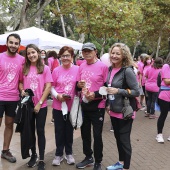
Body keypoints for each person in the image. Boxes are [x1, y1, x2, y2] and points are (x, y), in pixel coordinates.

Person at [105, 43, 139, 170]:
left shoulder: (128, 70)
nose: (114, 56)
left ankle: (126, 167)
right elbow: (109, 88)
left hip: (125, 111)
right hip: (113, 109)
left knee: (124, 140)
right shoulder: (110, 69)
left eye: (117, 53)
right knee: (118, 138)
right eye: (113, 53)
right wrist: (108, 103)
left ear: (124, 55)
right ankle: (120, 163)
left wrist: (118, 91)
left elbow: (137, 91)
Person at [19, 44, 53, 170]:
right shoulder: (25, 68)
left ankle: (42, 159)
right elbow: (21, 82)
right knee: (30, 131)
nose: (31, 55)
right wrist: (22, 90)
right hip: (28, 105)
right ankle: (33, 155)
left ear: (38, 53)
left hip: (41, 105)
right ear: (26, 55)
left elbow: (48, 86)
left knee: (40, 131)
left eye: (33, 52)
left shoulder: (45, 68)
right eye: (28, 53)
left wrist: (39, 103)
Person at [76, 42, 108, 170]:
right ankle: (88, 157)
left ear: (95, 51)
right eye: (84, 51)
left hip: (98, 105)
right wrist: (79, 85)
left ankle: (98, 161)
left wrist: (95, 94)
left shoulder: (103, 67)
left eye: (89, 50)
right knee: (85, 133)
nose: (87, 53)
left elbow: (107, 88)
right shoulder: (81, 66)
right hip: (84, 104)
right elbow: (78, 85)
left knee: (97, 134)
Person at [51, 46, 79, 166]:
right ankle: (58, 154)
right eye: (63, 56)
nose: (65, 58)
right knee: (59, 131)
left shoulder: (78, 69)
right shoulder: (56, 70)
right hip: (58, 105)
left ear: (72, 57)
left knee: (69, 131)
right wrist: (58, 96)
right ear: (60, 57)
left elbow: (80, 86)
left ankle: (69, 153)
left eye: (68, 55)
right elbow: (51, 87)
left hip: (72, 106)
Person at [0, 33, 25, 163]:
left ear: (19, 45)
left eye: (16, 43)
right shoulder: (0, 57)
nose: (13, 45)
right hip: (0, 97)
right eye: (11, 42)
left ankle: (5, 151)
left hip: (13, 98)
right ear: (7, 43)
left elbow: (22, 78)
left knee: (9, 124)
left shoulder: (21, 60)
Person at [156, 54, 170, 143]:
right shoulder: (166, 66)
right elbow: (166, 81)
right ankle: (159, 135)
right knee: (163, 115)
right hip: (165, 94)